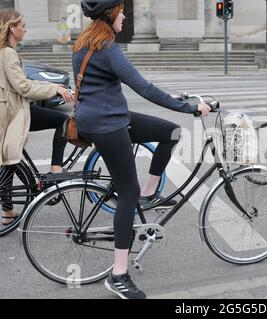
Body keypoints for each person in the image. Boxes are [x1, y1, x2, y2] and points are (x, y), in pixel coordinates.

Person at [74, 0, 210, 299]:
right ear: (110, 14)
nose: (124, 15)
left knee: (170, 132)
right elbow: (143, 88)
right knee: (127, 191)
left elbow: (106, 87)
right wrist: (189, 108)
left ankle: (150, 193)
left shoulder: (83, 44)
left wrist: (172, 100)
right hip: (107, 124)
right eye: (121, 10)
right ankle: (119, 274)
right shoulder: (107, 48)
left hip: (107, 116)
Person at [0, 9, 74, 226]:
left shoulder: (5, 51)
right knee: (62, 121)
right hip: (15, 112)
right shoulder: (8, 53)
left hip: (10, 110)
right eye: (22, 25)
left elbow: (22, 82)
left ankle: (8, 211)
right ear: (12, 28)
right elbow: (23, 87)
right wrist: (55, 91)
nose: (25, 28)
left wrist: (54, 86)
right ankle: (55, 170)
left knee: (10, 161)